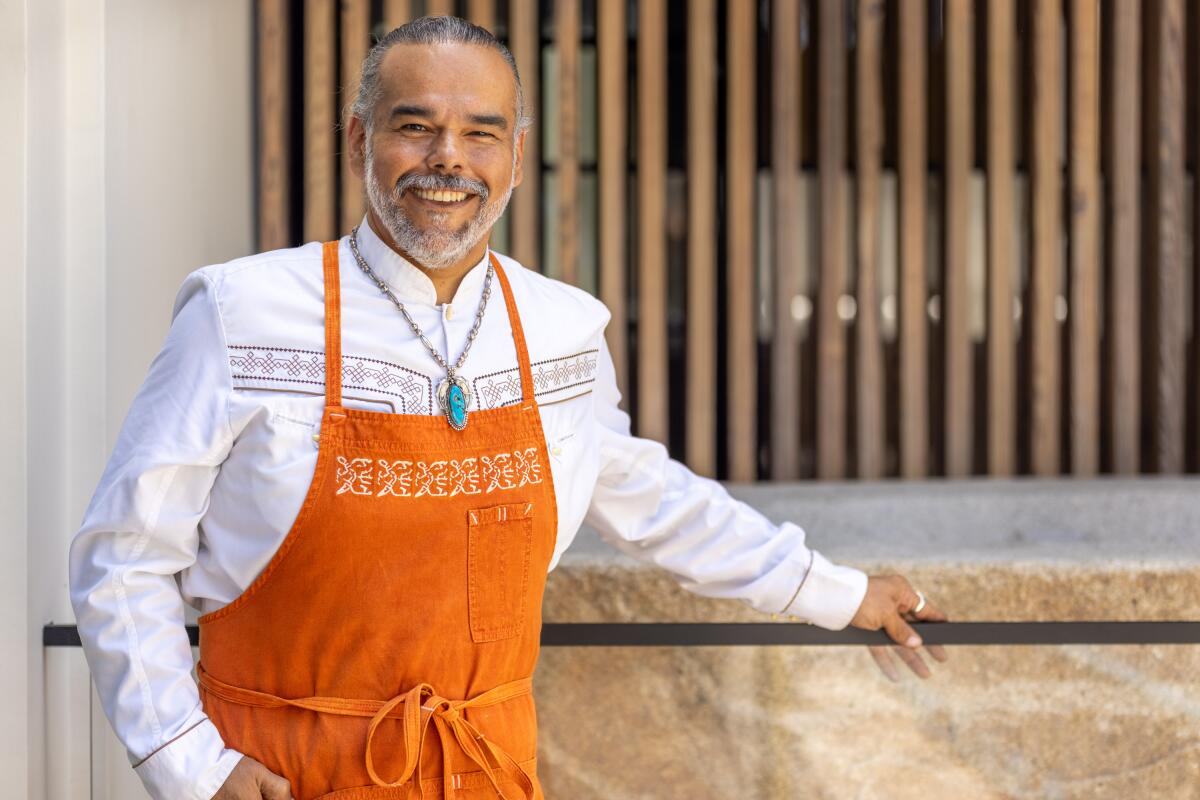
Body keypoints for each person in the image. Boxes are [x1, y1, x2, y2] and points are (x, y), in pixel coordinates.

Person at [68, 15, 947, 800]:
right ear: (356, 142)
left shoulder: (562, 327)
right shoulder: (239, 312)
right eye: (415, 127)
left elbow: (654, 500)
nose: (448, 157)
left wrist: (841, 594)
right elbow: (123, 559)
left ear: (517, 158)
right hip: (277, 775)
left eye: (480, 133)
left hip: (488, 770)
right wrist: (189, 764)